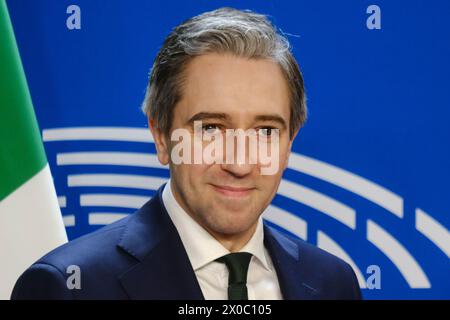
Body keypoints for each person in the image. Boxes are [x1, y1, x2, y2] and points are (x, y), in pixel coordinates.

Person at [12, 7, 361, 300]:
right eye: (210, 128)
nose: (239, 164)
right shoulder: (71, 286)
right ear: (161, 136)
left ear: (289, 143)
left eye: (265, 131)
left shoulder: (333, 282)